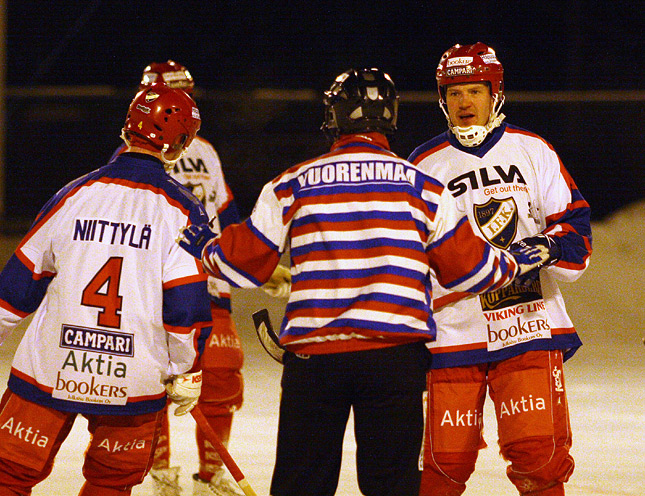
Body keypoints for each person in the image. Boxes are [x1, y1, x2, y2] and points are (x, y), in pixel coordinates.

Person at [175, 68, 556, 496]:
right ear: (390, 117)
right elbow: (472, 271)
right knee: (391, 485)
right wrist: (514, 262)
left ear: (332, 117)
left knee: (303, 484)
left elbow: (240, 266)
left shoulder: (292, 183)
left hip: (315, 360)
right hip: (394, 359)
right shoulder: (424, 187)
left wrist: (205, 246)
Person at [0, 84, 210, 495]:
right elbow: (185, 306)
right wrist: (186, 369)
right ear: (179, 139)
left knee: (8, 475)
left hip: (52, 363)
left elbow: (16, 286)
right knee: (111, 484)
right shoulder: (182, 210)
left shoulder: (74, 194)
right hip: (132, 375)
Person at [408, 43, 592, 496]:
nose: (464, 102)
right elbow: (406, 253)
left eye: (474, 90)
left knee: (540, 457)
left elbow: (576, 230)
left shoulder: (533, 150)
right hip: (452, 331)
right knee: (443, 466)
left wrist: (548, 247)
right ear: (441, 98)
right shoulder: (423, 164)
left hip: (526, 324)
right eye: (453, 93)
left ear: (496, 94)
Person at [109, 60, 253, 496]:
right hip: (154, 288)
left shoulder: (205, 150)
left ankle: (210, 475)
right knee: (154, 384)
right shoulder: (127, 160)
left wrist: (251, 256)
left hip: (209, 283)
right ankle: (160, 473)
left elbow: (225, 215)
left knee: (223, 379)